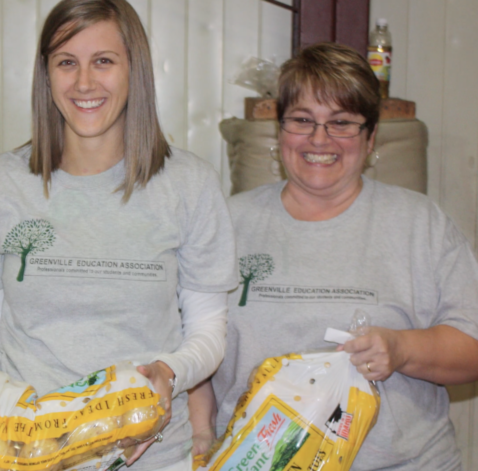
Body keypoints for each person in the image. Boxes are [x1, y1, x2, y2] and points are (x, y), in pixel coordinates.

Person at [0, 1, 237, 470]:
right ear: (46, 76)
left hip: (150, 455)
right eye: (66, 62)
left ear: (135, 69)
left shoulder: (190, 185)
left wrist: (169, 372)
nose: (84, 83)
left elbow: (209, 333)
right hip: (26, 450)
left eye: (103, 61)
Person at [198, 42, 478, 470]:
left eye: (341, 123)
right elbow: (190, 348)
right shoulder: (228, 223)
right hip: (255, 461)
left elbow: (472, 347)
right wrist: (201, 438)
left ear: (370, 139)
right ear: (279, 129)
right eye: (302, 120)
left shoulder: (421, 224)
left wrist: (401, 349)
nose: (319, 139)